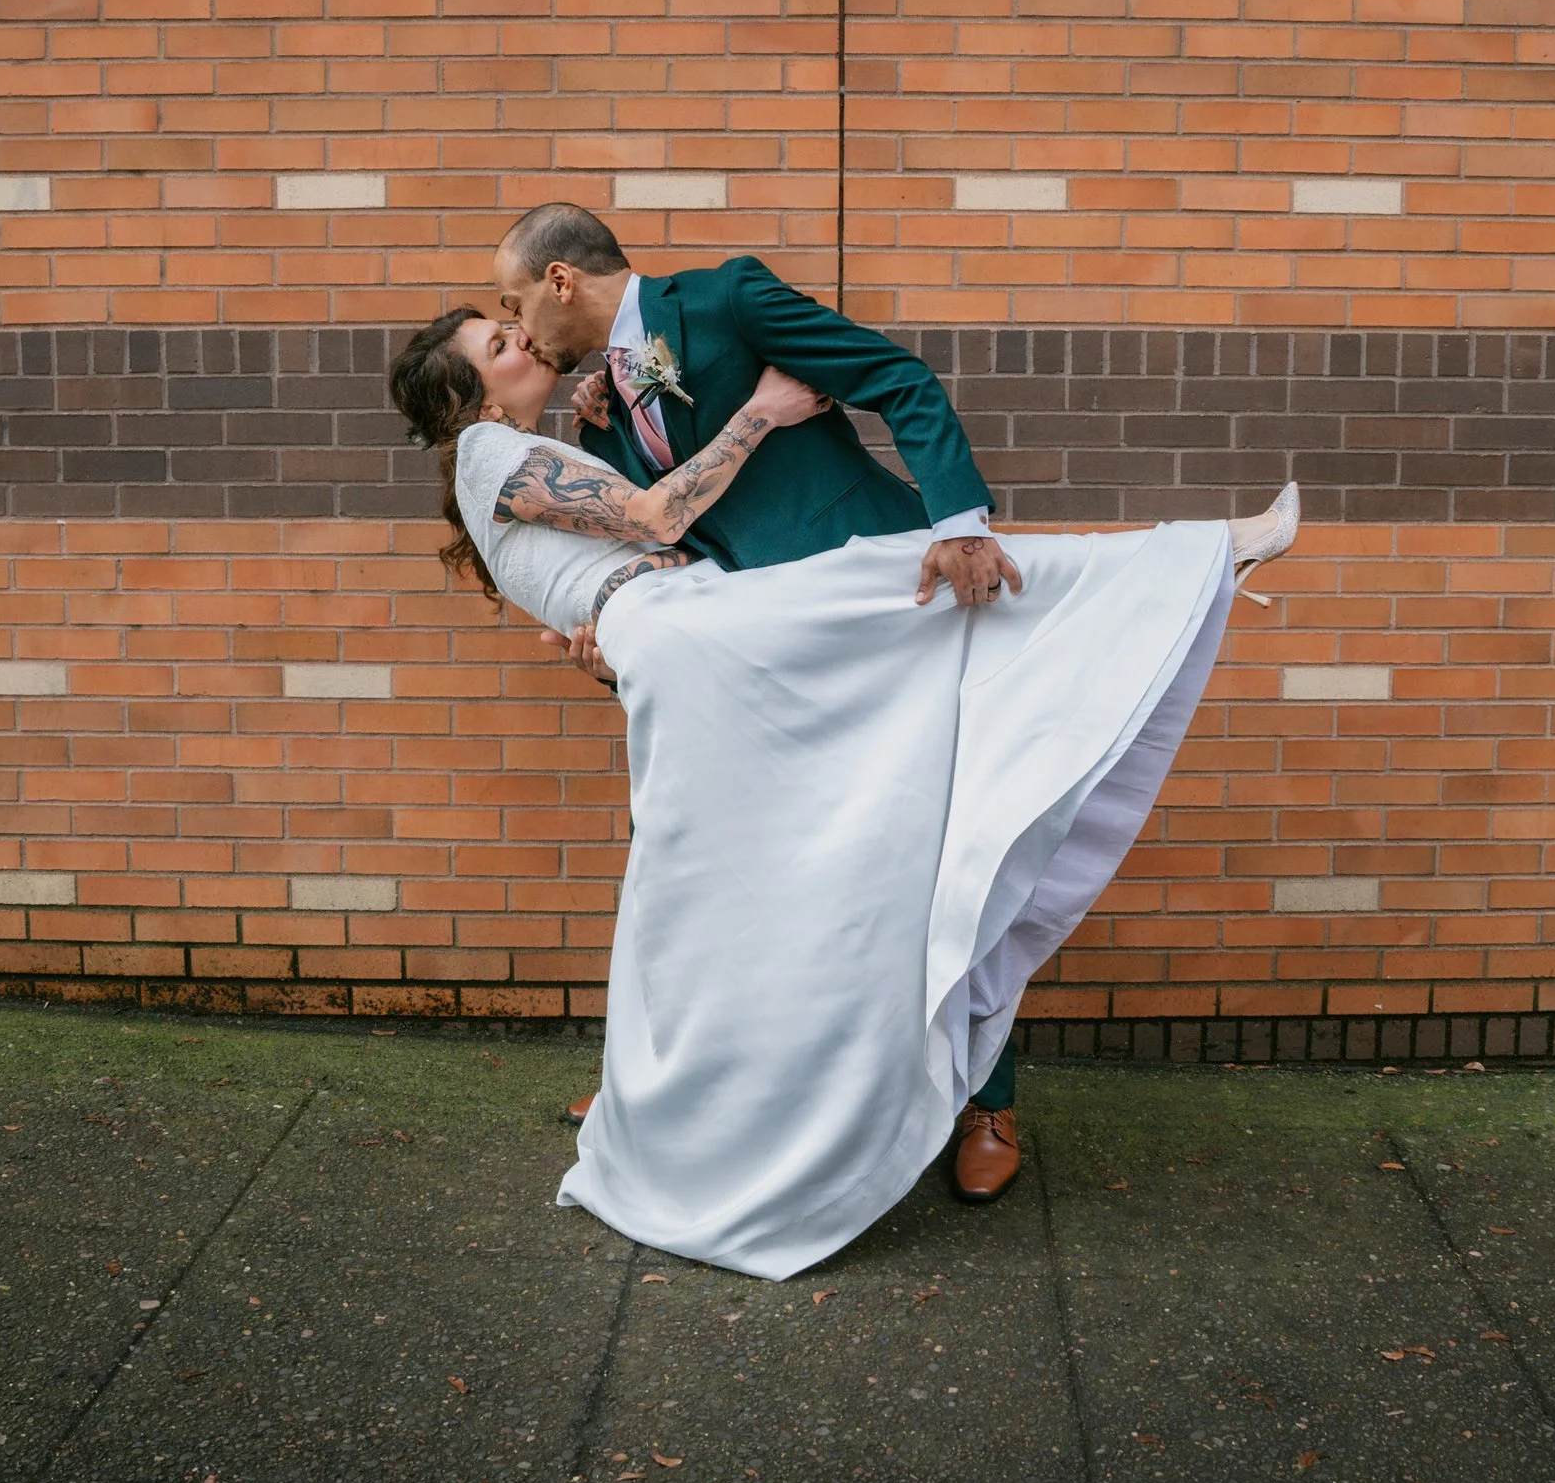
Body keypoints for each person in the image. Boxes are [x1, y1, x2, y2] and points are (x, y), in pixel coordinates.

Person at [387, 303, 1301, 1283]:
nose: (519, 339)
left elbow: (601, 564)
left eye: (512, 325)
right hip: (686, 634)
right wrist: (765, 412)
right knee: (900, 589)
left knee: (731, 893)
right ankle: (1192, 561)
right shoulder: (486, 451)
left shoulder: (520, 453)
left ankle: (698, 1115)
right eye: (497, 344)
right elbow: (656, 520)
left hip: (674, 643)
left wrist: (599, 431)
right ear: (470, 397)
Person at [488, 202, 1044, 1203]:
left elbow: (897, 380)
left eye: (514, 300)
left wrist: (958, 522)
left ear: (562, 280)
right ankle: (688, 1094)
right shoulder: (606, 401)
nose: (518, 327)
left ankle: (985, 1106)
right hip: (760, 664)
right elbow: (670, 527)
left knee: (941, 861)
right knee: (740, 876)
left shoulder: (730, 299)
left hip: (884, 619)